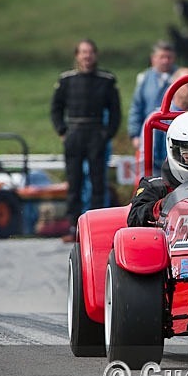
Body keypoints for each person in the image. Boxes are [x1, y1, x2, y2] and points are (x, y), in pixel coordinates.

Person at [51, 38, 121, 242]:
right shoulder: (66, 80)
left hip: (96, 133)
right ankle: (73, 226)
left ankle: (98, 228)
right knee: (74, 182)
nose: (87, 56)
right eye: (83, 52)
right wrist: (62, 131)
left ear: (95, 55)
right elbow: (56, 108)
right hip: (74, 132)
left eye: (90, 52)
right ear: (77, 55)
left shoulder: (106, 80)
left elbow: (115, 110)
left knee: (98, 181)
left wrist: (107, 133)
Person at [128, 41, 188, 176]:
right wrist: (134, 133)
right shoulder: (146, 81)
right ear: (153, 59)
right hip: (164, 170)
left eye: (169, 57)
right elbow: (136, 106)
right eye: (162, 57)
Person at [127, 111, 188, 227]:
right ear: (175, 152)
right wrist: (162, 205)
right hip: (167, 242)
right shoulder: (155, 187)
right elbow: (134, 218)